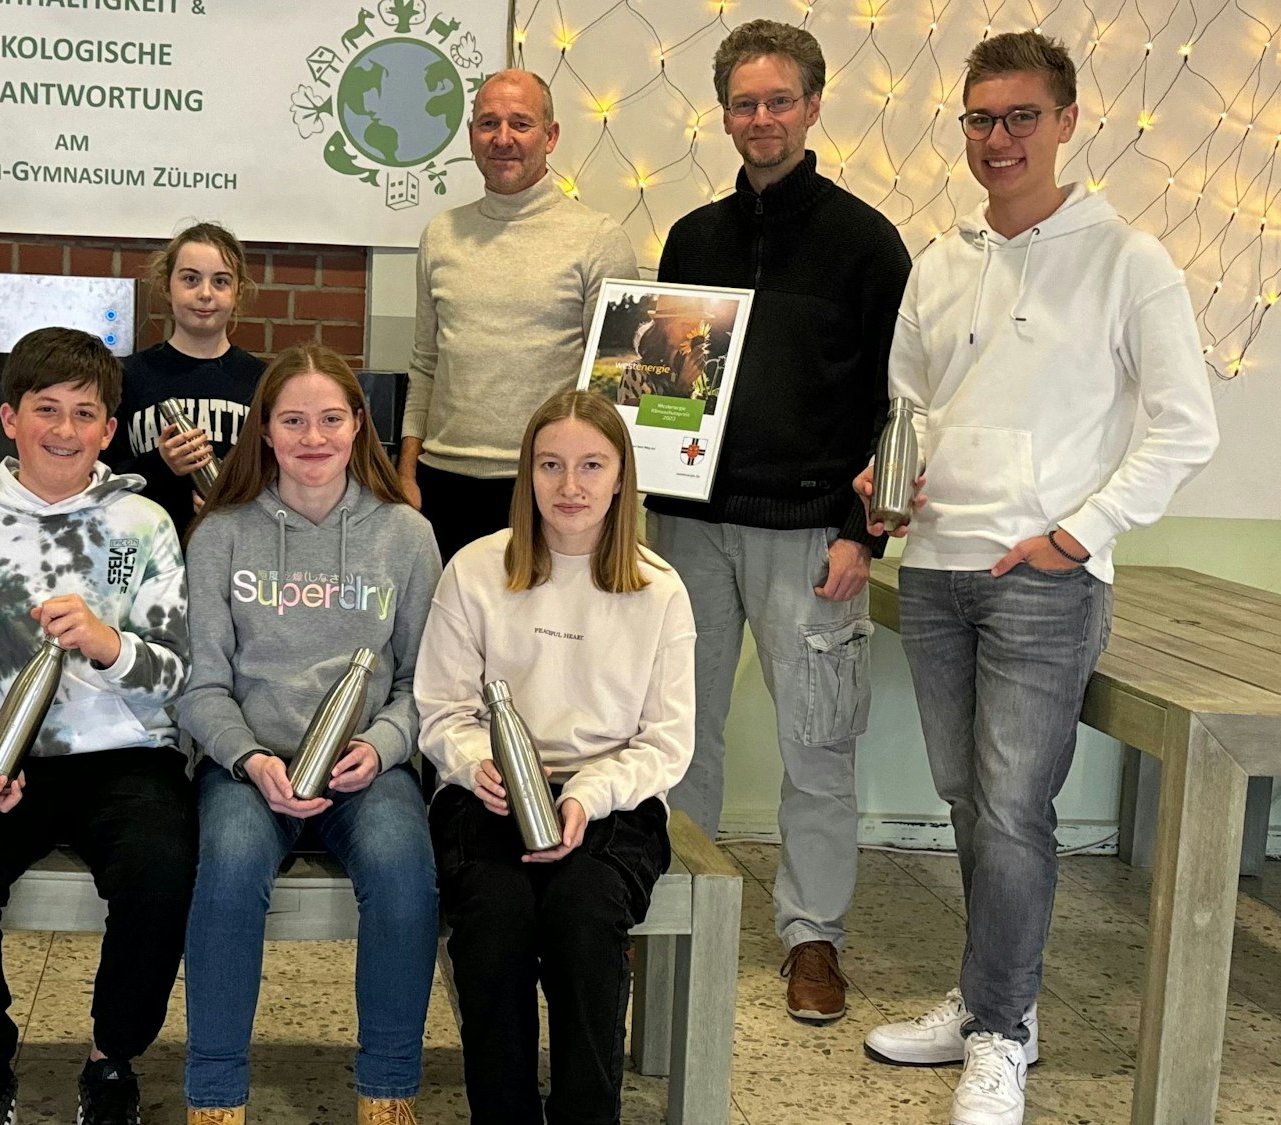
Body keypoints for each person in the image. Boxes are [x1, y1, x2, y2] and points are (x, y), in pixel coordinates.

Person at [854, 32, 1217, 1125]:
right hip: (934, 572)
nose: (997, 139)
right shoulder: (939, 259)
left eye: (1019, 117)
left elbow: (1182, 429)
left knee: (1012, 811)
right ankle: (984, 998)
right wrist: (889, 480)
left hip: (1041, 582)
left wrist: (1075, 533)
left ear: (1064, 122)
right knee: (971, 804)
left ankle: (1002, 1038)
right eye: (978, 118)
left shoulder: (1127, 260)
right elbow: (909, 410)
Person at [649, 19, 913, 1023]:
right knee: (682, 737)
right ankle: (677, 905)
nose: (759, 118)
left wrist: (864, 530)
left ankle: (811, 938)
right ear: (722, 114)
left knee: (816, 748)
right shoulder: (691, 239)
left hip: (812, 535)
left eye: (777, 100)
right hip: (690, 533)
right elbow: (660, 390)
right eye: (741, 103)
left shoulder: (862, 243)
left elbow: (900, 405)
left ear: (809, 106)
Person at [0, 328, 194, 1125]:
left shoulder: (144, 526)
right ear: (9, 417)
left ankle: (111, 1058)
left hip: (126, 756)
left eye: (84, 413)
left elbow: (178, 672)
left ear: (109, 429)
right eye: (45, 410)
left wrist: (109, 645)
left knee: (163, 865)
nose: (63, 431)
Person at [179, 345, 443, 1125]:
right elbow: (200, 685)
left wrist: (387, 744)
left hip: (368, 768)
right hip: (249, 764)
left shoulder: (406, 535)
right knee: (226, 872)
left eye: (331, 418)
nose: (313, 435)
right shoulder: (221, 535)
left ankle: (388, 1090)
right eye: (292, 419)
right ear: (264, 431)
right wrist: (249, 756)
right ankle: (216, 1095)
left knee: (403, 872)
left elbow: (425, 685)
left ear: (359, 425)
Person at [416, 390, 695, 1124]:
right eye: (551, 465)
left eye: (591, 465)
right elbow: (442, 709)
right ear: (527, 474)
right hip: (488, 793)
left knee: (583, 914)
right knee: (496, 919)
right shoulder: (475, 571)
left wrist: (586, 796)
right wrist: (479, 761)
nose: (570, 486)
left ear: (620, 477)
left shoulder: (660, 591)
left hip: (612, 801)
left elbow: (666, 741)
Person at [400, 69, 638, 564]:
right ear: (471, 136)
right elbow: (425, 364)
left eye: (520, 124)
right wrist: (407, 471)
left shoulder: (598, 239)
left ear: (550, 136)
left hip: (546, 488)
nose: (502, 138)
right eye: (488, 123)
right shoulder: (440, 235)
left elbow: (615, 387)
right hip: (441, 484)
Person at [107, 221, 265, 536]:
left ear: (238, 292)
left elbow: (280, 480)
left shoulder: (262, 381)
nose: (205, 294)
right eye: (190, 279)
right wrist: (160, 465)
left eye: (220, 281)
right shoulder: (129, 376)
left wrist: (237, 501)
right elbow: (101, 478)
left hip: (234, 561)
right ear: (167, 286)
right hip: (145, 556)